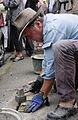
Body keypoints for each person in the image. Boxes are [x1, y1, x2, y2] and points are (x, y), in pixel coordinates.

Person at [14, 7, 78, 119]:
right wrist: (40, 79)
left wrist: (42, 94)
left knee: (61, 48)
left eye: (29, 36)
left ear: (38, 24)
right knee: (59, 83)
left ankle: (67, 103)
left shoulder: (53, 29)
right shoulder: (48, 24)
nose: (31, 40)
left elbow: (52, 67)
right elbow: (48, 58)